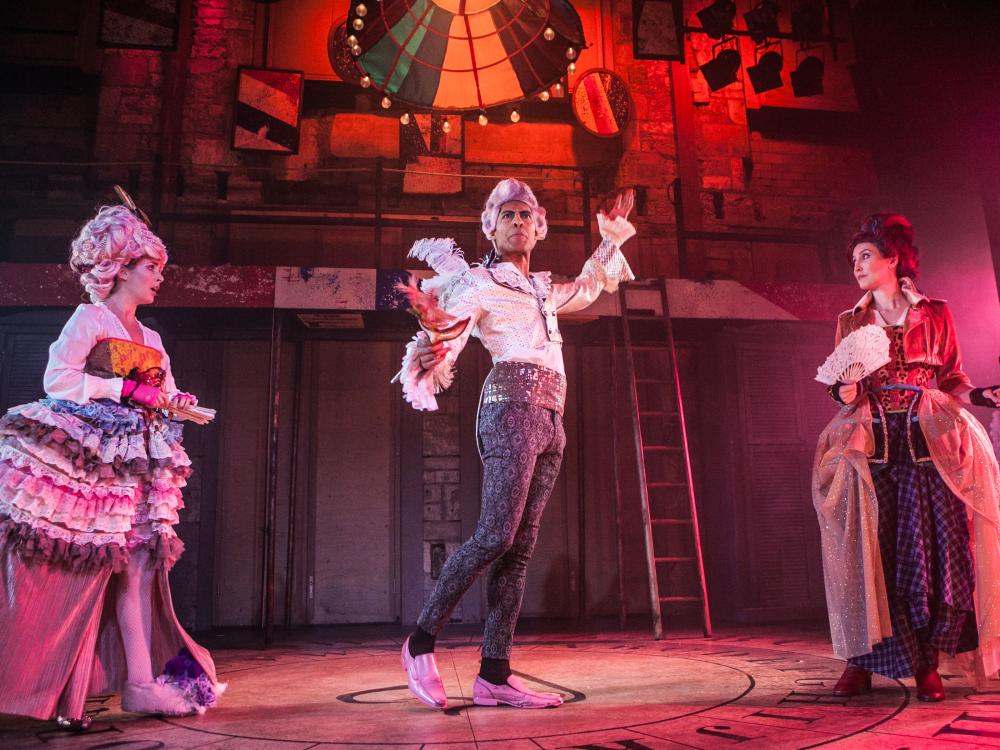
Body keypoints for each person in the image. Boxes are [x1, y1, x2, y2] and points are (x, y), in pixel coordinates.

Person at [394, 179, 636, 709]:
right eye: (508, 215)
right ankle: (420, 641)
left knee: (520, 550)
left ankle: (494, 673)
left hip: (552, 416)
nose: (519, 221)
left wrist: (609, 238)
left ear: (539, 228)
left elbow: (592, 286)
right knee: (494, 537)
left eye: (527, 215)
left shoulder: (545, 288)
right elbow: (451, 327)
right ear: (491, 227)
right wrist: (436, 343)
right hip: (509, 410)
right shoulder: (480, 283)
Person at [0, 200, 224, 727]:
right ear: (119, 268)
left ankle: (141, 682)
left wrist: (178, 403)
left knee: (141, 570)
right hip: (93, 464)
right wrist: (120, 387)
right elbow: (58, 379)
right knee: (92, 565)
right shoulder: (90, 318)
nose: (158, 280)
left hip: (140, 461)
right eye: (151, 269)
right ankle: (58, 685)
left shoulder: (153, 339)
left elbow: (162, 392)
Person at [813, 213, 1000, 702]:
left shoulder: (935, 312)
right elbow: (842, 390)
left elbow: (953, 377)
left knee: (934, 554)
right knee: (868, 554)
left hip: (928, 446)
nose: (856, 265)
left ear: (893, 258)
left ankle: (927, 666)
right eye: (853, 258)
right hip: (871, 446)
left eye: (866, 256)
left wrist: (979, 394)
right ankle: (861, 661)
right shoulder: (850, 321)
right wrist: (844, 389)